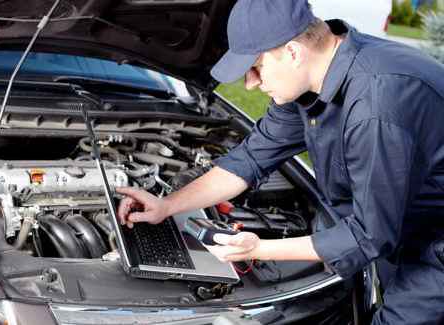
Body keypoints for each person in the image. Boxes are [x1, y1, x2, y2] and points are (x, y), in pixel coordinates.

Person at [117, 0, 444, 323]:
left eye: (256, 67)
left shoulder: (375, 105)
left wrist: (257, 249)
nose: (250, 83)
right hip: (401, 223)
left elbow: (369, 236)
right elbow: (250, 158)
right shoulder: (309, 81)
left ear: (292, 52)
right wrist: (167, 205)